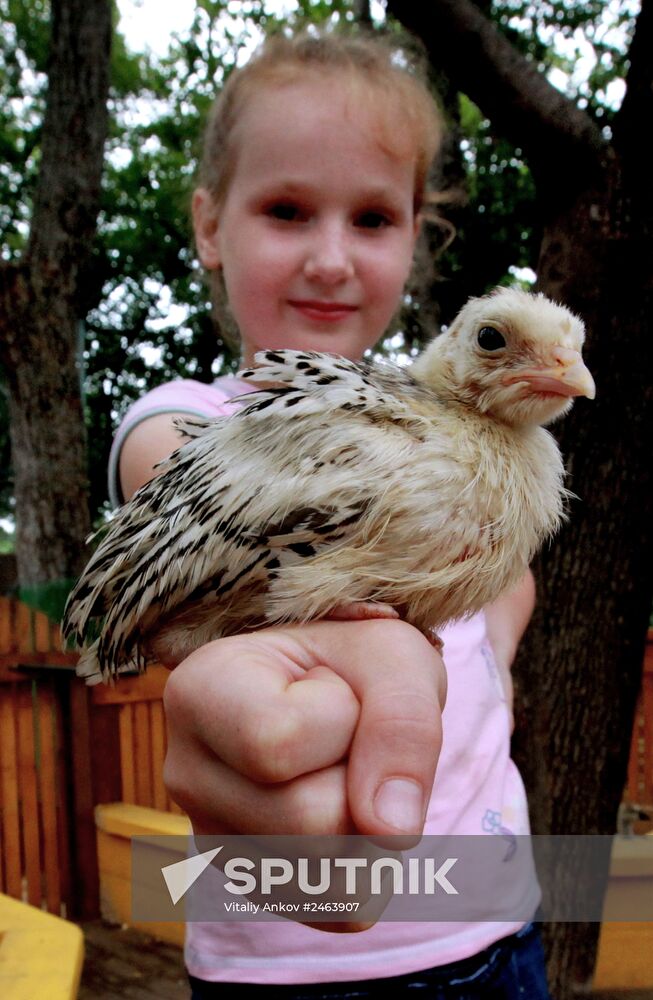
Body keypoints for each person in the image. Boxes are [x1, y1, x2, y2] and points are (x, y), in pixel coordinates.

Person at [108, 28, 550, 1000]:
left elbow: (507, 576)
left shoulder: (447, 423)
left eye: (371, 219)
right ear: (208, 225)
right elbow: (185, 485)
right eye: (286, 209)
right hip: (293, 961)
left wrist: (489, 652)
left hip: (496, 925)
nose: (329, 258)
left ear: (414, 238)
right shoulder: (191, 422)